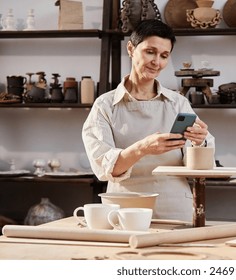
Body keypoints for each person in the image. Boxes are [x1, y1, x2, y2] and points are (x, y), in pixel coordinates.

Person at [82, 19, 215, 221]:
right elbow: (104, 169)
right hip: (123, 208)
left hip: (176, 207)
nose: (157, 62)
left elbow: (197, 167)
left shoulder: (178, 103)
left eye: (164, 56)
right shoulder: (104, 106)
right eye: (150, 52)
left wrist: (199, 142)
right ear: (130, 48)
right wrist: (142, 148)